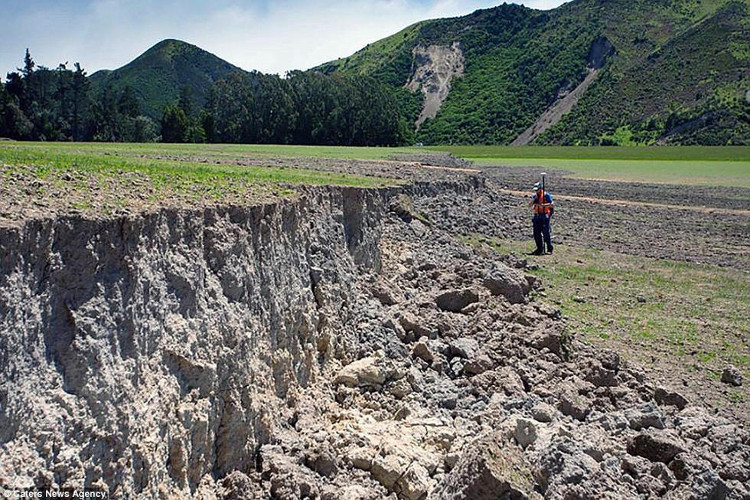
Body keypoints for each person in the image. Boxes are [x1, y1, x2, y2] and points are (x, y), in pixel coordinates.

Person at [529, 181, 554, 255]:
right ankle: (539, 249)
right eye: (535, 190)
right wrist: (533, 200)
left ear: (541, 189)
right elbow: (529, 205)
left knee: (546, 233)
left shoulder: (546, 195)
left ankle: (549, 248)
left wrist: (543, 205)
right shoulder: (534, 196)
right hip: (537, 216)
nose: (536, 191)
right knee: (536, 233)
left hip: (544, 216)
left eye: (537, 190)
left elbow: (552, 204)